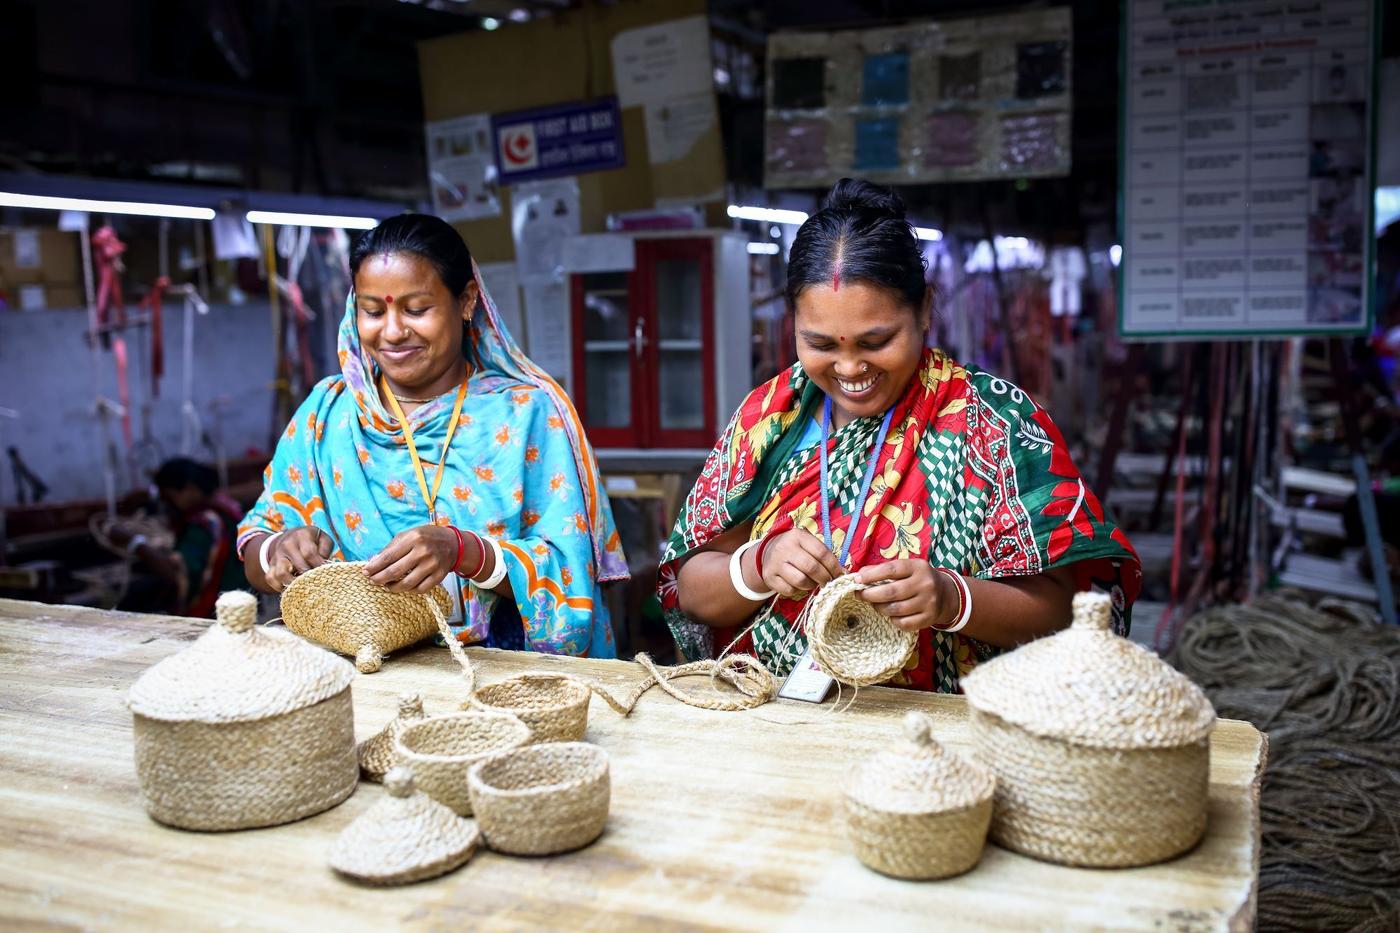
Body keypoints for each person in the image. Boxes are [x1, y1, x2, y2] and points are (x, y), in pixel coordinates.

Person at [659, 179, 1140, 692]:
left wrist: (951, 599)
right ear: (792, 323)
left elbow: (1070, 611)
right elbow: (691, 589)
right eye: (819, 343)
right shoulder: (770, 420)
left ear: (926, 309)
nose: (849, 368)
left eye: (877, 340)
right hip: (780, 723)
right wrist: (759, 564)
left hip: (939, 740)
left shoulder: (994, 425)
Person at [238, 214, 627, 657]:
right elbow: (257, 540)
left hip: (499, 676)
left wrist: (465, 551)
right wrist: (277, 549)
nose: (392, 331)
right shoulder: (326, 415)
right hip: (355, 672)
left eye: (416, 310)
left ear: (466, 301)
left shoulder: (527, 415)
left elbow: (568, 572)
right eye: (372, 310)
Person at [107, 457, 249, 617]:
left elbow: (177, 575)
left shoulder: (205, 524)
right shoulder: (226, 506)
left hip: (218, 608)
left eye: (170, 498)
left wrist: (135, 543)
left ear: (190, 489)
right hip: (241, 598)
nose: (168, 505)